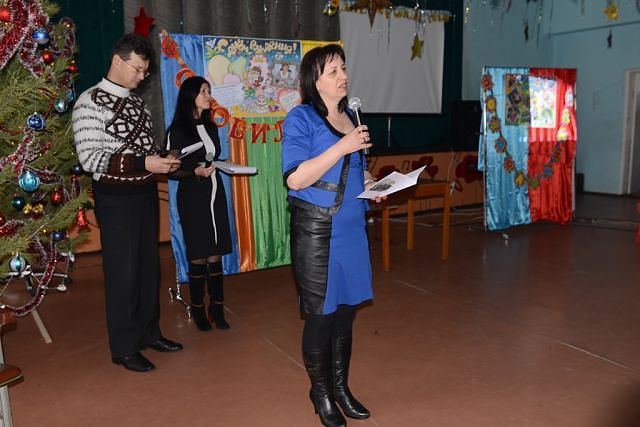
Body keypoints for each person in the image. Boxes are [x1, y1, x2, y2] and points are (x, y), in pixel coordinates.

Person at [282, 44, 381, 427]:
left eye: (344, 68)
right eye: (333, 71)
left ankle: (340, 388)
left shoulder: (352, 116)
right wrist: (343, 145)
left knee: (346, 314)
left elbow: (356, 170)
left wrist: (372, 183)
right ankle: (320, 392)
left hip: (353, 231)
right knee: (321, 317)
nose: (343, 76)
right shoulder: (301, 118)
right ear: (315, 80)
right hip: (318, 233)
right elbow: (295, 178)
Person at [72, 33, 183, 373]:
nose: (141, 77)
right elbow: (90, 158)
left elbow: (143, 151)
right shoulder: (89, 102)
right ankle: (123, 347)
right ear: (117, 61)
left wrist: (162, 158)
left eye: (145, 72)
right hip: (116, 198)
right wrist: (144, 162)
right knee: (123, 272)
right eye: (137, 69)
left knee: (149, 268)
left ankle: (150, 333)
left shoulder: (137, 103)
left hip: (144, 193)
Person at [166, 76, 232, 331]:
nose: (208, 96)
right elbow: (171, 169)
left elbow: (211, 157)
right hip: (193, 195)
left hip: (215, 191)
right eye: (203, 91)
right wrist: (195, 171)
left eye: (209, 91)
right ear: (190, 96)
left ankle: (217, 307)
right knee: (198, 253)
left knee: (215, 250)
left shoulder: (211, 127)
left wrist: (223, 165)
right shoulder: (177, 130)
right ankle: (198, 309)